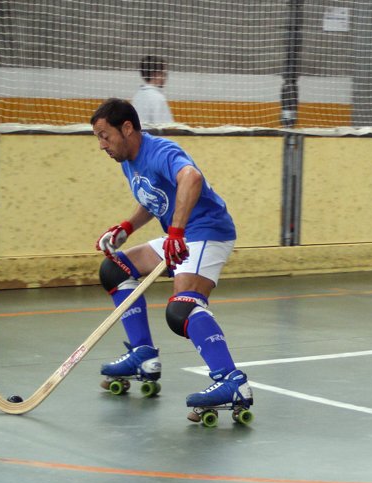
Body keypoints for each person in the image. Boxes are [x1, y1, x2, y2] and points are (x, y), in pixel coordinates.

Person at [89, 98, 252, 424]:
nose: (102, 145)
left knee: (182, 310)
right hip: (182, 235)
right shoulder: (129, 160)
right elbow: (156, 198)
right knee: (115, 270)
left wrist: (176, 232)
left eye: (105, 136)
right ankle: (143, 355)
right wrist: (127, 227)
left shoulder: (160, 151)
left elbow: (190, 178)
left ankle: (232, 382)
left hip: (207, 231)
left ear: (127, 128)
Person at [132, 56, 174, 125]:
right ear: (156, 74)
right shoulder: (158, 98)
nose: (165, 78)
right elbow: (165, 127)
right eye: (164, 74)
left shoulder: (137, 96)